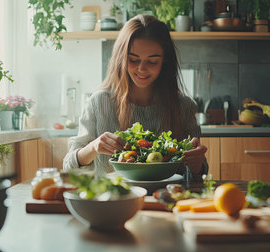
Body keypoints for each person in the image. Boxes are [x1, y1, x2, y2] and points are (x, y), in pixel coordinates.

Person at [63, 14, 208, 178]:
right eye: (133, 59)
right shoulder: (99, 102)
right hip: (113, 200)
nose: (141, 69)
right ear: (121, 58)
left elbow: (197, 174)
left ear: (165, 61)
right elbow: (68, 167)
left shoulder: (183, 106)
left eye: (152, 61)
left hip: (166, 200)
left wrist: (197, 164)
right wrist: (93, 147)